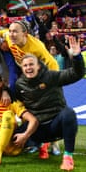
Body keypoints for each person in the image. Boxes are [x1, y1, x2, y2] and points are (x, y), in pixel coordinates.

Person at [14, 36, 85, 171]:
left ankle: (68, 157)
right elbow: (17, 104)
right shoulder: (19, 84)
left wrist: (76, 57)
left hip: (56, 126)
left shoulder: (52, 77)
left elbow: (77, 74)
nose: (28, 68)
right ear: (22, 68)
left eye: (31, 64)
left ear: (38, 66)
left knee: (69, 113)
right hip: (36, 128)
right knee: (12, 134)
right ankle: (41, 145)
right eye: (25, 65)